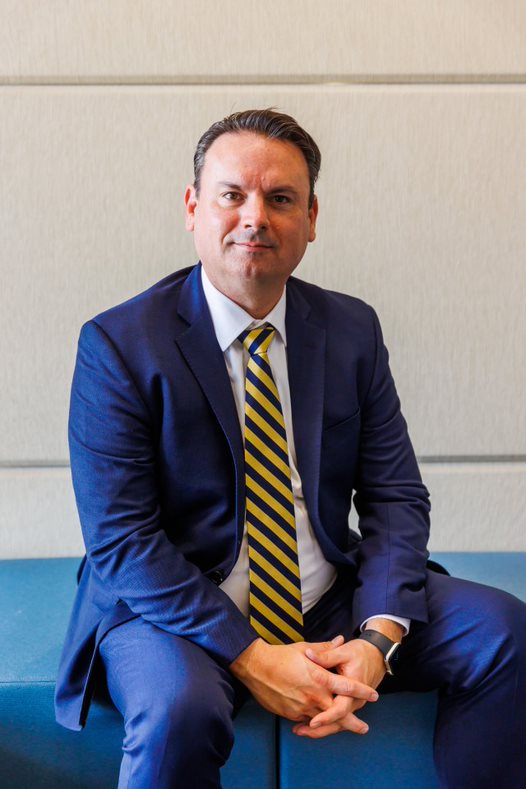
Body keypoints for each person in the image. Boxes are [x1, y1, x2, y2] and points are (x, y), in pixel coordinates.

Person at [55, 108, 526, 788]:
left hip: (325, 593)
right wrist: (253, 656)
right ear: (192, 207)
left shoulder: (351, 329)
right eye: (232, 195)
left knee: (504, 632)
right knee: (177, 710)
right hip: (176, 609)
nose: (255, 217)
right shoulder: (119, 345)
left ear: (311, 217)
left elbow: (395, 496)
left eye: (280, 199)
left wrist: (377, 641)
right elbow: (123, 541)